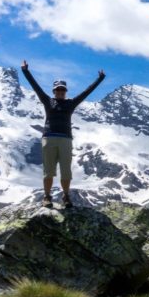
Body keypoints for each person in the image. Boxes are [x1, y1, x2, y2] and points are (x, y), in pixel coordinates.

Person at [20, 60, 105, 208]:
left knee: (66, 171)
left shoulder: (71, 103)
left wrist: (100, 79)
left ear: (65, 92)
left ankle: (66, 196)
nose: (60, 92)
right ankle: (47, 197)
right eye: (58, 90)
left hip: (65, 139)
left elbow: (86, 92)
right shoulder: (48, 101)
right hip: (49, 137)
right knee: (49, 171)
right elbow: (36, 87)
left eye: (62, 90)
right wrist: (25, 71)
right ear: (54, 91)